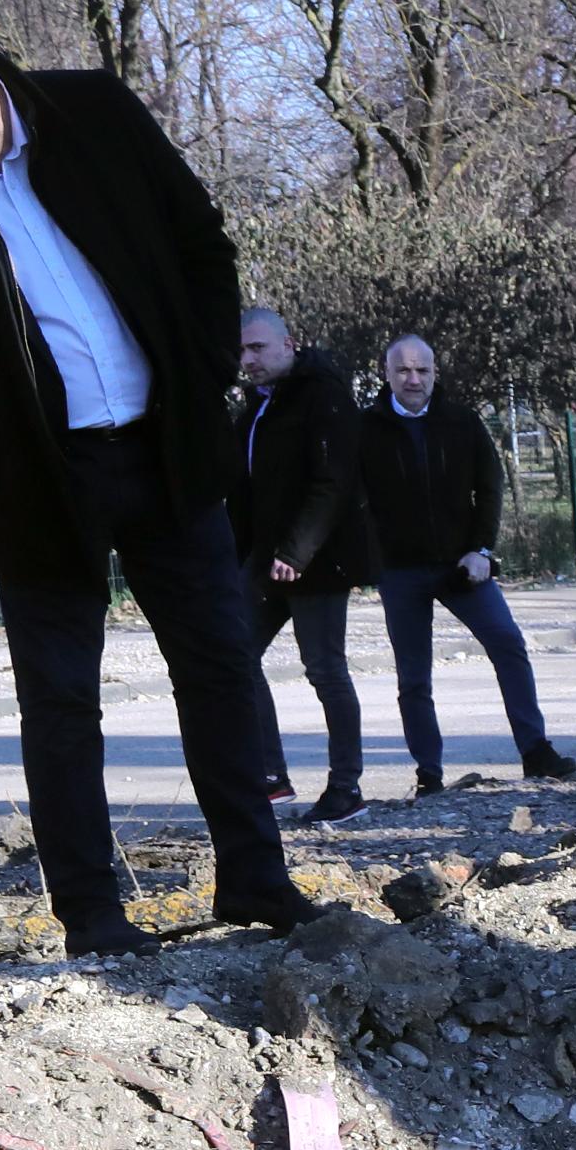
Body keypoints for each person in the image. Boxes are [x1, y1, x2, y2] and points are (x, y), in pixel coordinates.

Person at [0, 0, 311, 956]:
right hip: (40, 486)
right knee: (59, 702)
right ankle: (91, 916)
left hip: (168, 450)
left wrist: (205, 371)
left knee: (220, 670)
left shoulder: (92, 111)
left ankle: (255, 883)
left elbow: (201, 239)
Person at [358, 335, 576, 795]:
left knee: (507, 643)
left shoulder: (461, 422)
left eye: (422, 370)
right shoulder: (365, 429)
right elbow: (350, 500)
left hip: (463, 566)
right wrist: (368, 559)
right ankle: (429, 774)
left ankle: (536, 751)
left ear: (436, 373)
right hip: (400, 572)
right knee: (413, 677)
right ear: (387, 374)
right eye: (403, 370)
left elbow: (490, 488)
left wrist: (482, 549)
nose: (413, 379)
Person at [229, 306, 372, 825]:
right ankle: (270, 775)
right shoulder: (255, 410)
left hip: (318, 562)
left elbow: (331, 483)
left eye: (258, 348)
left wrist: (296, 551)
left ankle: (346, 788)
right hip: (262, 563)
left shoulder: (324, 397)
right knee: (235, 654)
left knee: (325, 671)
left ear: (288, 345)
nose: (249, 360)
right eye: (242, 350)